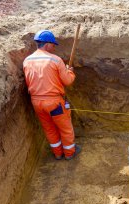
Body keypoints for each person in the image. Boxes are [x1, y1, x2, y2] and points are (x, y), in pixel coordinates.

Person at [23, 30, 81, 160]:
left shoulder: (27, 60)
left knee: (49, 128)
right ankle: (69, 153)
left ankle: (58, 153)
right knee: (65, 128)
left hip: (36, 103)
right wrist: (70, 72)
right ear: (47, 44)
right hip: (54, 103)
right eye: (53, 45)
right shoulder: (55, 60)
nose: (54, 48)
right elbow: (67, 81)